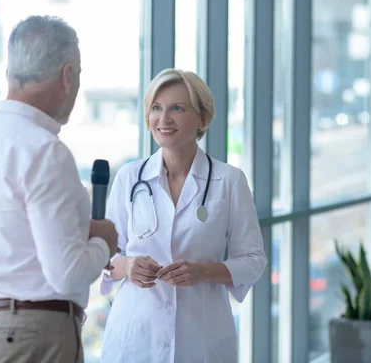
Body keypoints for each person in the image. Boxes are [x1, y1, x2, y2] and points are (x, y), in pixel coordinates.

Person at [0, 15, 119, 363]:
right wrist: (104, 241)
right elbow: (67, 273)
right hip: (35, 336)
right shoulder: (44, 151)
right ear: (68, 76)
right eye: (79, 74)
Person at [99, 68, 268, 362]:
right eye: (156, 108)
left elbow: (253, 260)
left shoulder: (229, 180)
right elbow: (104, 258)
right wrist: (127, 266)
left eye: (177, 108)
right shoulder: (129, 177)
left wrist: (202, 272)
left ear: (202, 118)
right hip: (136, 336)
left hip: (202, 337)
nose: (163, 119)